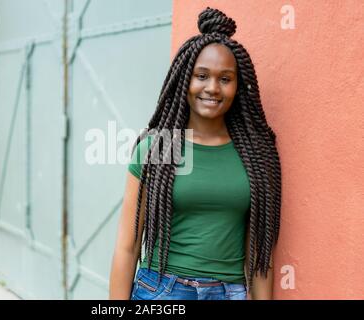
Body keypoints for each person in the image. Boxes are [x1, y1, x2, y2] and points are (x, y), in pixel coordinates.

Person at [109, 7, 282, 300]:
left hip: (229, 293)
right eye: (201, 76)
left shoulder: (256, 154)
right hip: (163, 291)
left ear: (238, 87)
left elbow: (260, 257)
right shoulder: (157, 147)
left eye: (225, 79)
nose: (212, 88)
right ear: (184, 80)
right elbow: (128, 246)